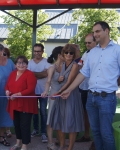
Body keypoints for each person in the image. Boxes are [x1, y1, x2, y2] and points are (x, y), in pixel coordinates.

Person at [61, 21, 120, 150]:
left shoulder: (117, 50)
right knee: (96, 133)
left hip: (107, 98)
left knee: (106, 134)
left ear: (107, 31)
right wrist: (69, 89)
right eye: (94, 32)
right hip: (90, 97)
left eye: (97, 31)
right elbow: (83, 74)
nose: (95, 34)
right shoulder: (92, 53)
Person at [46, 44, 84, 150]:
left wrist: (57, 92)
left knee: (71, 121)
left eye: (71, 53)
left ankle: (70, 148)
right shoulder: (62, 65)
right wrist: (59, 81)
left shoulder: (75, 65)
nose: (68, 54)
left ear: (74, 54)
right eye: (66, 52)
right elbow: (62, 81)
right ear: (63, 54)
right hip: (60, 95)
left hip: (71, 95)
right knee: (59, 120)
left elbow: (69, 82)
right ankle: (62, 145)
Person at [6, 55, 38, 150]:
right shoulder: (12, 74)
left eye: (23, 62)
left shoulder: (30, 74)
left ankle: (25, 145)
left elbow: (30, 89)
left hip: (26, 104)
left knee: (25, 125)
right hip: (14, 103)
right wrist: (7, 91)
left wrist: (17, 94)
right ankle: (18, 143)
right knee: (17, 124)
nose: (21, 64)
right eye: (19, 62)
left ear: (27, 65)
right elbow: (7, 85)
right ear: (15, 64)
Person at [75, 34, 96, 147]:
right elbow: (79, 66)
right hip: (83, 86)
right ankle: (87, 135)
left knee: (92, 113)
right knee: (84, 112)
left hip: (93, 88)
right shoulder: (86, 53)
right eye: (86, 43)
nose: (87, 45)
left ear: (95, 42)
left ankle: (95, 139)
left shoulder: (98, 53)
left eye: (89, 42)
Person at [41, 46, 64, 150]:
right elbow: (48, 81)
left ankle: (60, 140)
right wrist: (46, 91)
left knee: (62, 118)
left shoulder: (67, 66)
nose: (68, 54)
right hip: (54, 95)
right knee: (51, 118)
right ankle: (50, 142)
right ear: (59, 55)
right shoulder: (52, 68)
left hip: (64, 95)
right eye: (65, 53)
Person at [28, 43, 50, 143]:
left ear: (42, 52)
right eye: (35, 51)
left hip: (43, 92)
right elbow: (28, 76)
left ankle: (44, 133)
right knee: (34, 112)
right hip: (32, 91)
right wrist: (40, 73)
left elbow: (45, 74)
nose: (37, 53)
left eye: (39, 51)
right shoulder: (29, 63)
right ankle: (35, 130)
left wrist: (33, 73)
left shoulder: (47, 62)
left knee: (43, 112)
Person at [3, 47, 12, 138]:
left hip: (8, 90)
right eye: (2, 54)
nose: (3, 56)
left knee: (7, 110)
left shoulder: (10, 62)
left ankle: (8, 129)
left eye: (5, 54)